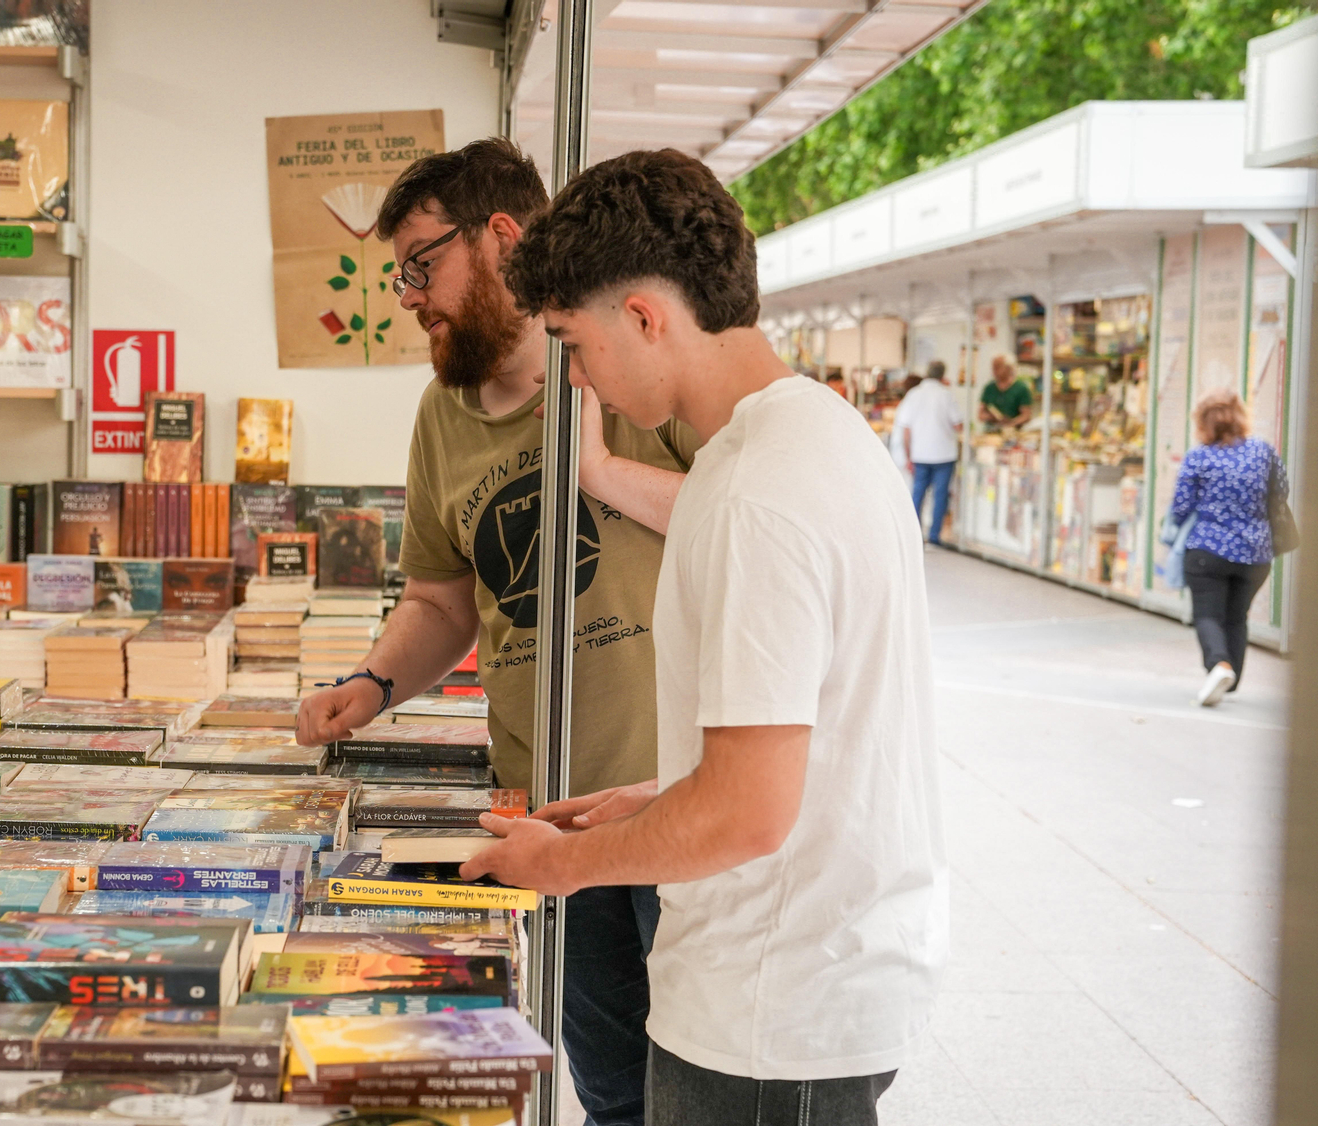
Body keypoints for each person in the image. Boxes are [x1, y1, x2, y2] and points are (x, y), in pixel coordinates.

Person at [469, 148, 946, 1126]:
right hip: (813, 987)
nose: (573, 373)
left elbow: (747, 816)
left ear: (644, 316)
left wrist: (555, 865)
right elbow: (800, 747)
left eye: (572, 339)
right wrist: (648, 797)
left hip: (765, 1019)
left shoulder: (752, 497)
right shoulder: (813, 435)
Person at [291, 137, 698, 1126]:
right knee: (607, 1093)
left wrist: (600, 470)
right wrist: (374, 684)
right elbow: (440, 600)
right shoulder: (441, 416)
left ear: (502, 236)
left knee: (698, 1092)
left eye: (421, 263)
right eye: (398, 274)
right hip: (548, 817)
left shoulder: (631, 368)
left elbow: (748, 512)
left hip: (677, 799)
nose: (408, 294)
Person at [1170, 390, 1288, 706]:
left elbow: (1181, 507)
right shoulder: (1263, 452)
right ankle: (1231, 680)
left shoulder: (1199, 457)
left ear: (1203, 423)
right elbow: (1281, 491)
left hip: (1208, 550)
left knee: (1207, 615)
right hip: (1255, 554)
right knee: (1237, 616)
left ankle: (1219, 665)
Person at [892, 360, 964, 544]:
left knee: (918, 493)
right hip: (944, 454)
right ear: (943, 375)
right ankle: (934, 536)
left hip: (919, 454)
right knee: (940, 495)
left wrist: (908, 456)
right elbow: (958, 425)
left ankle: (913, 535)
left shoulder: (913, 395)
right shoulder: (947, 395)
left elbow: (906, 430)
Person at [978, 355, 1033, 427]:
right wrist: (991, 417)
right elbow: (980, 414)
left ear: (1009, 368)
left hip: (1014, 431)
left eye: (998, 367)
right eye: (993, 367)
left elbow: (1026, 415)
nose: (994, 370)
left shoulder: (1021, 388)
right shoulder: (989, 388)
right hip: (991, 430)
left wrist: (1011, 423)